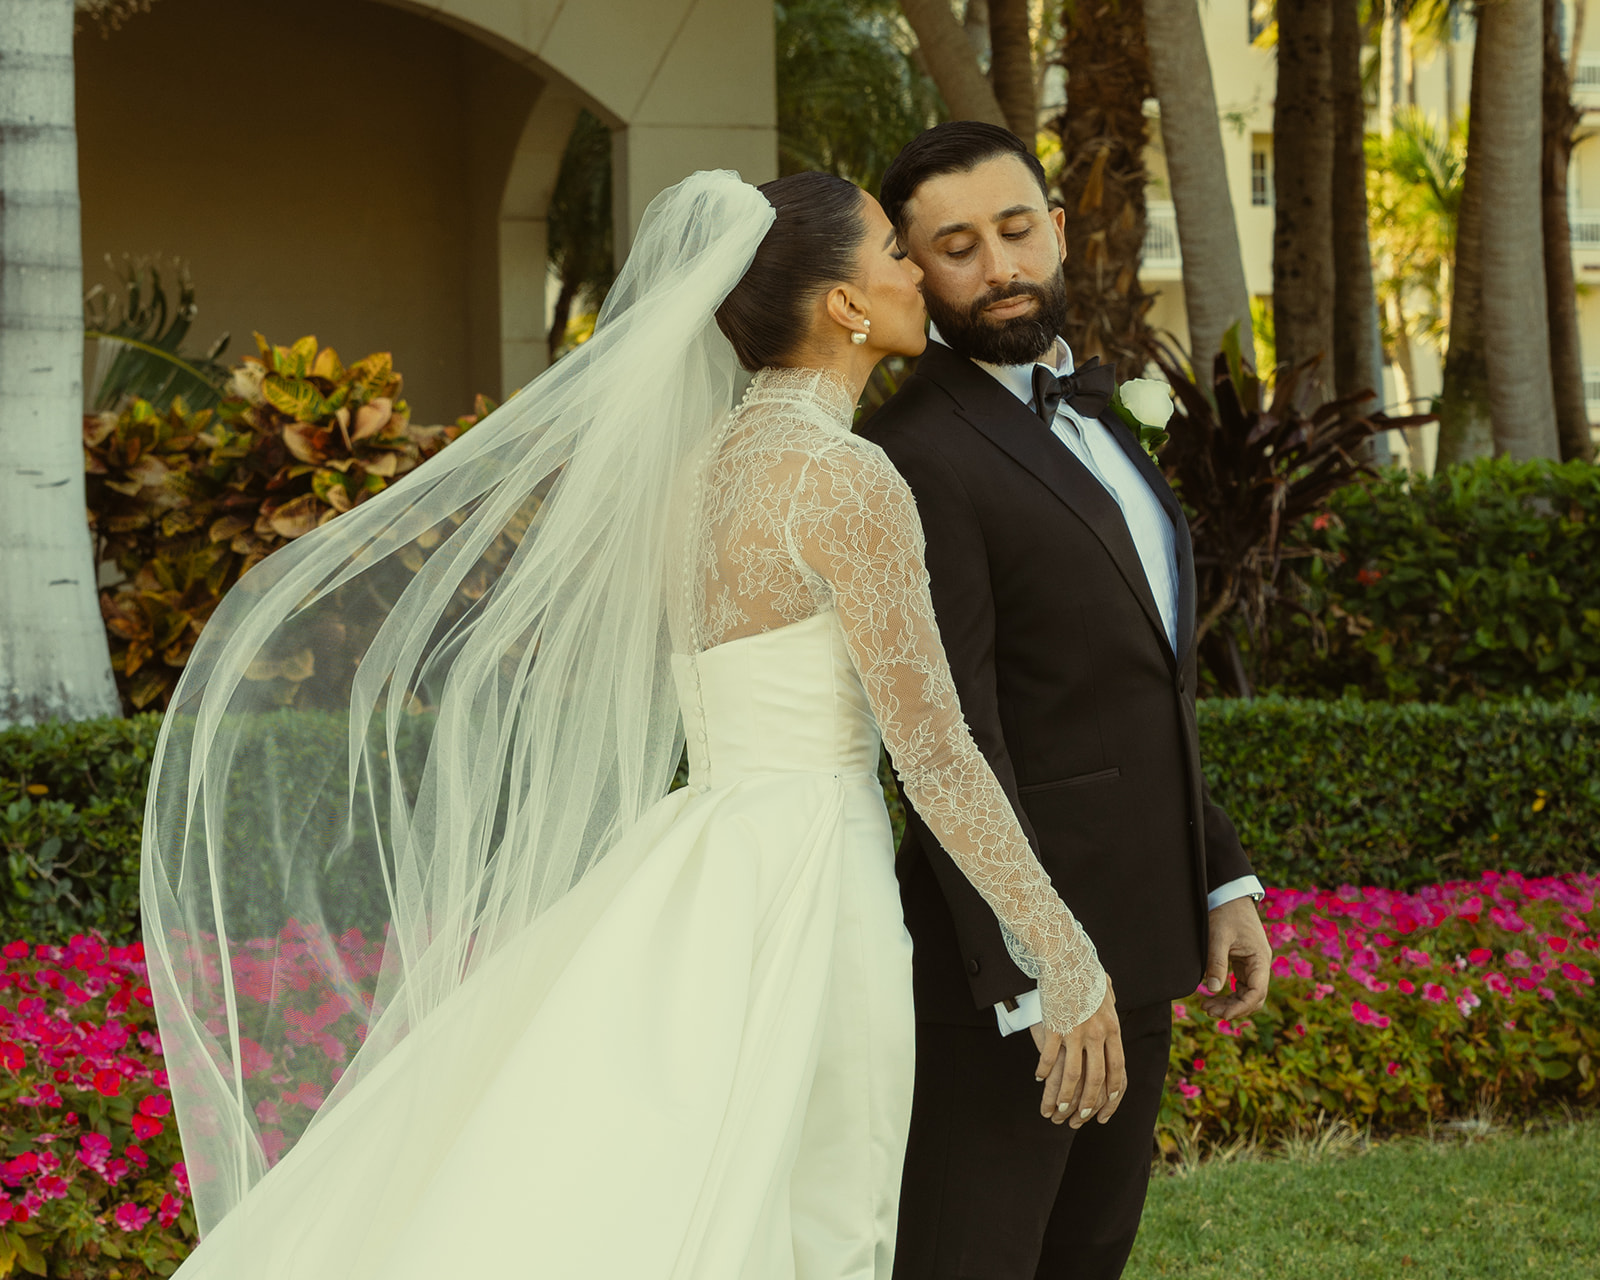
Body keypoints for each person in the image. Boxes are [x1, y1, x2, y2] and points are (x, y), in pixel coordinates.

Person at [141, 168, 1116, 1279]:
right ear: (844, 304)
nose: (914, 273)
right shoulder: (848, 480)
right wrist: (1063, 951)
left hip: (697, 856)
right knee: (827, 1211)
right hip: (813, 880)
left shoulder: (693, 473)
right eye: (895, 252)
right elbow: (934, 751)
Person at [860, 122, 1274, 1280]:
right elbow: (950, 734)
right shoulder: (912, 454)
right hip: (1013, 976)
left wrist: (1218, 870)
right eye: (954, 246)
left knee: (1084, 1259)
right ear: (911, 268)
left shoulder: (1095, 409)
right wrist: (1040, 970)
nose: (996, 265)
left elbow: (1141, 682)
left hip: (1139, 936)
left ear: (1056, 227)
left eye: (1013, 228)